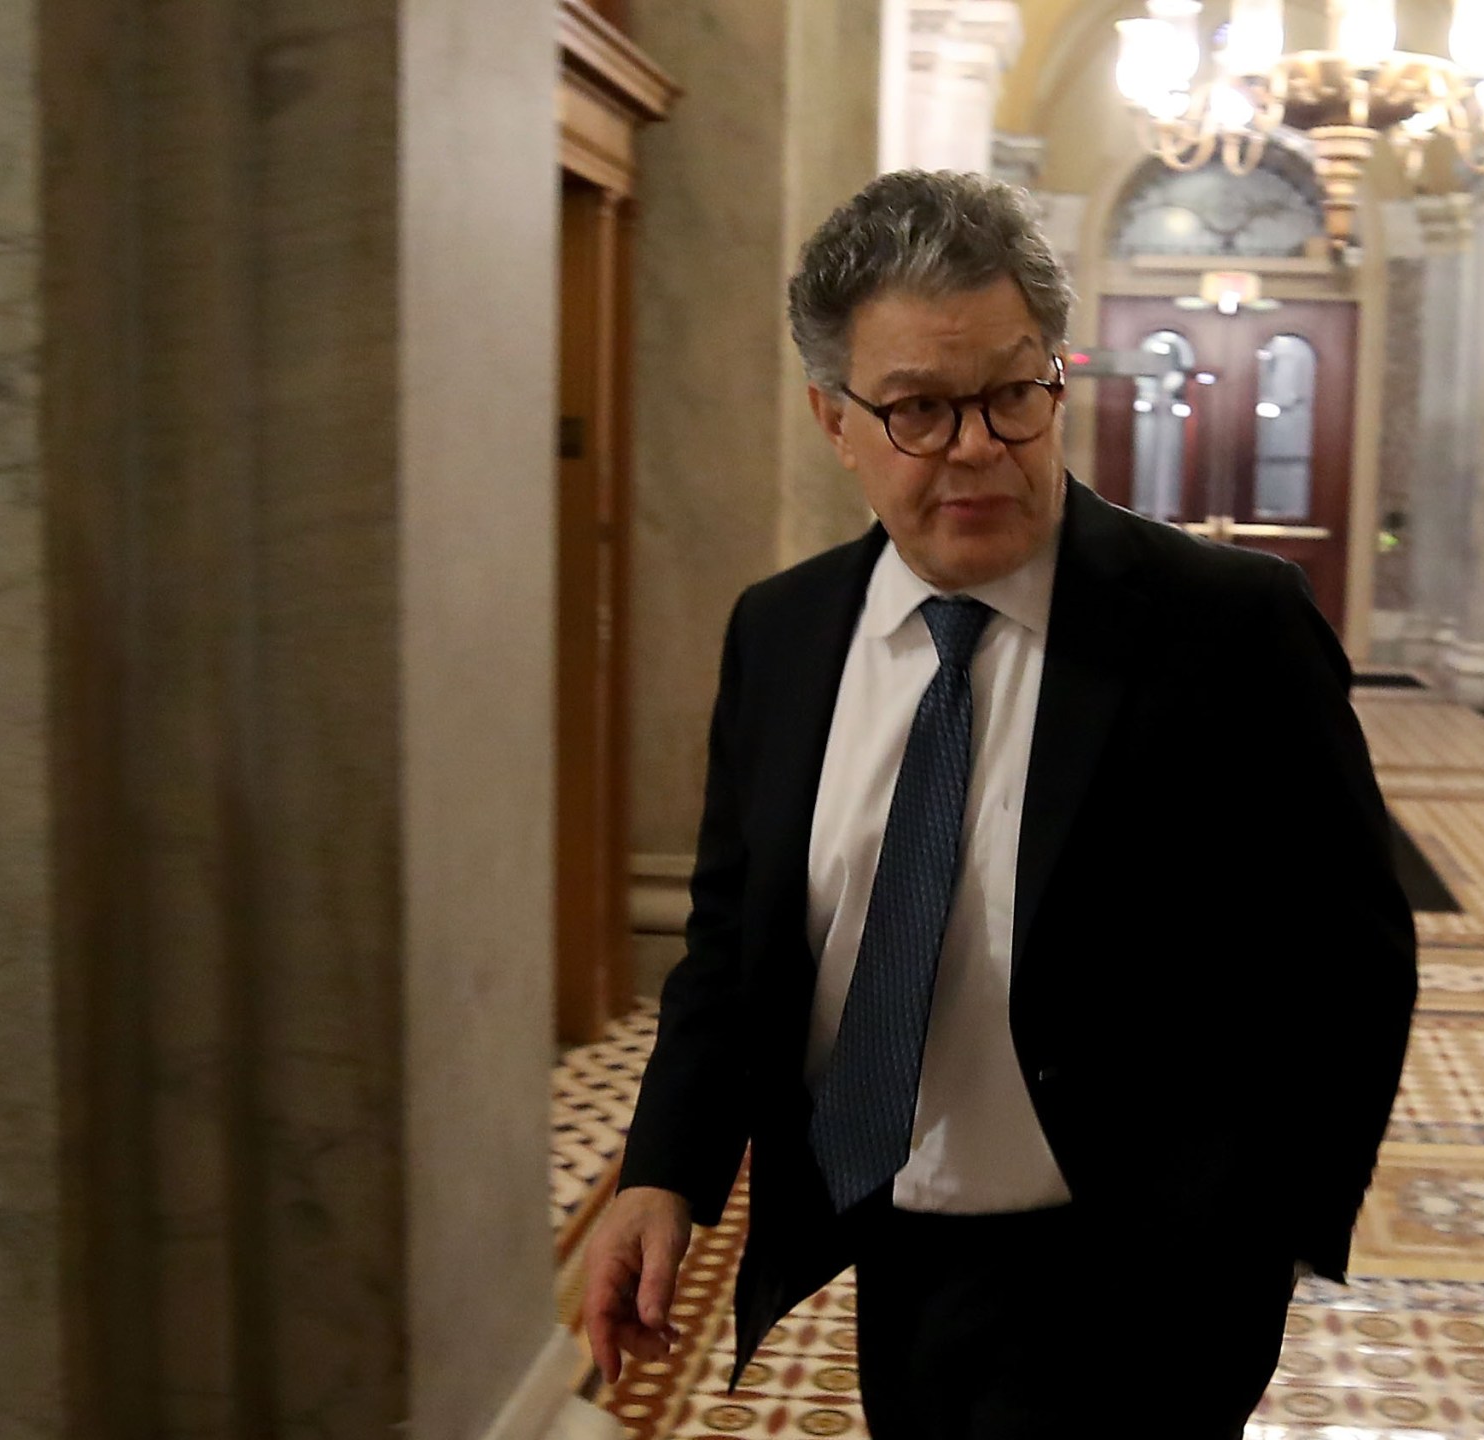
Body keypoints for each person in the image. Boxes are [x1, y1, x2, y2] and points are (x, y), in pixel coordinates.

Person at [580, 170, 1417, 1439]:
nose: (975, 446)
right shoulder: (784, 634)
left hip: (1148, 1270)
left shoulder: (1224, 630)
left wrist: (1271, 1232)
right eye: (918, 408)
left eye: (1011, 395)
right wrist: (666, 1170)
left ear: (1054, 381)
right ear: (833, 417)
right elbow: (728, 942)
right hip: (893, 1243)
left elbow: (1350, 949)